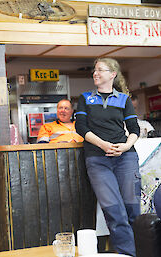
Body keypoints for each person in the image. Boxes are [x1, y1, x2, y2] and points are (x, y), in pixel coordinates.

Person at [75, 58, 140, 257]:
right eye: (94, 70)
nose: (95, 73)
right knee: (114, 210)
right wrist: (102, 144)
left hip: (126, 157)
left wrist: (125, 146)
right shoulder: (85, 98)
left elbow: (134, 129)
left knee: (132, 209)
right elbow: (81, 127)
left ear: (112, 74)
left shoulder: (123, 99)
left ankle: (143, 249)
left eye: (100, 70)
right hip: (97, 158)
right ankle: (129, 254)